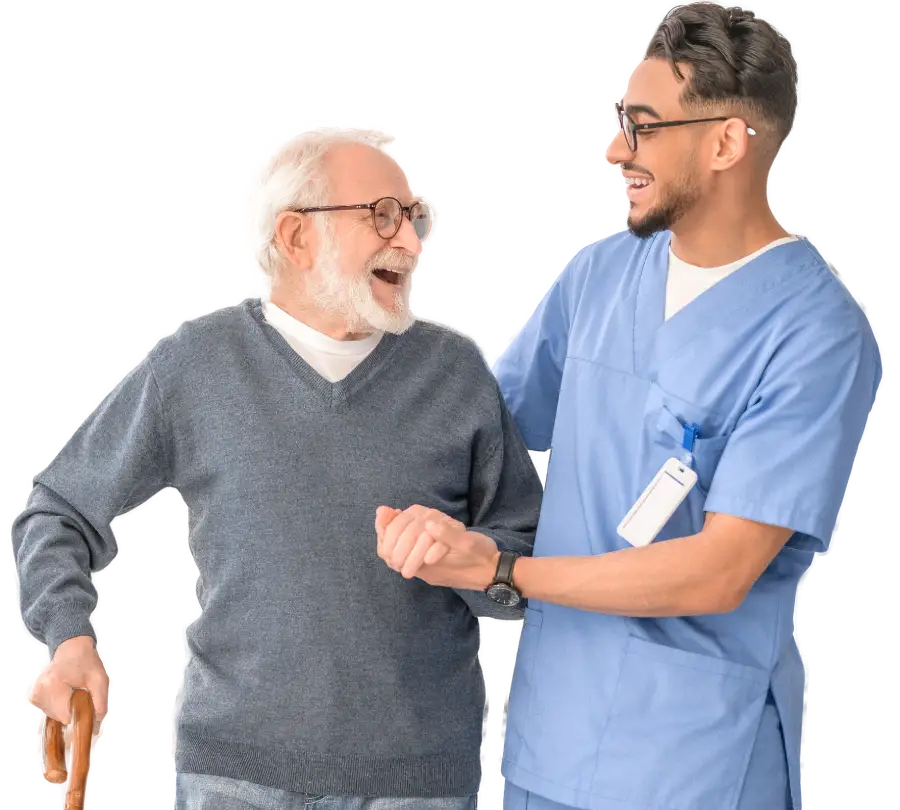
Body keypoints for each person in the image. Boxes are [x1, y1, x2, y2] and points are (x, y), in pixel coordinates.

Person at [376, 3, 885, 809]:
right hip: (552, 739)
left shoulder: (817, 332)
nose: (615, 150)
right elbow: (480, 442)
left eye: (643, 126)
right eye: (619, 120)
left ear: (726, 142)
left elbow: (721, 571)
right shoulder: (601, 276)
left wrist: (506, 570)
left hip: (696, 760)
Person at [11, 120, 545, 809]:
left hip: (421, 786)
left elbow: (527, 562)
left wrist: (474, 561)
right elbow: (58, 511)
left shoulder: (457, 372)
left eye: (417, 217)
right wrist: (67, 637)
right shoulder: (195, 365)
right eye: (384, 216)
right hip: (234, 782)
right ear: (296, 237)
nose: (413, 242)